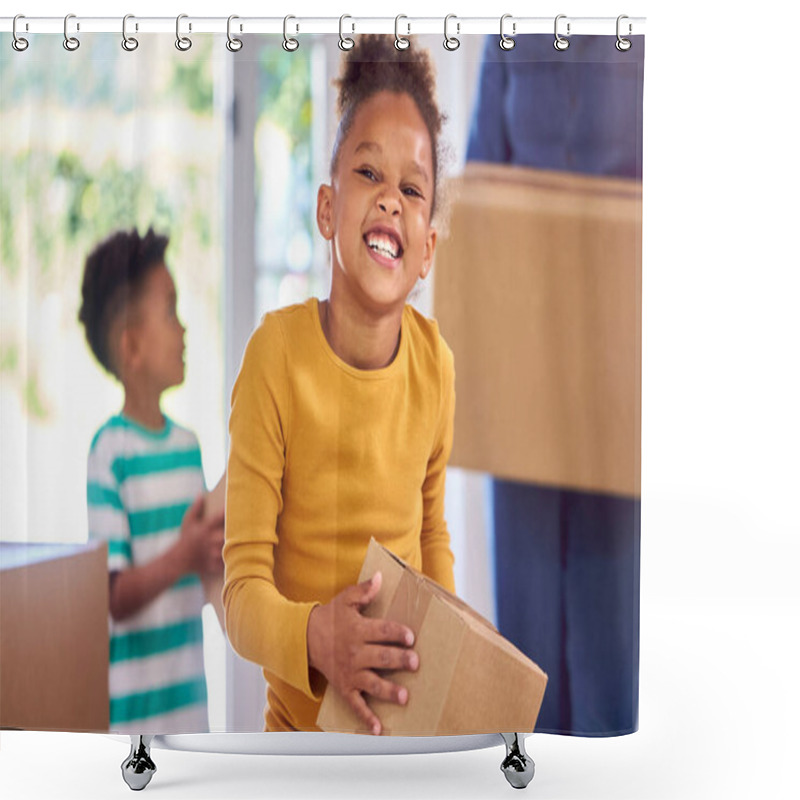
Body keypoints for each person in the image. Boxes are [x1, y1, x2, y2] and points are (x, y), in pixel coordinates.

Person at [223, 35, 455, 736]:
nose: (391, 199)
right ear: (327, 211)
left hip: (406, 744)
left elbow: (431, 532)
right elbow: (240, 599)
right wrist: (320, 638)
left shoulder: (436, 365)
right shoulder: (275, 357)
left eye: (412, 189)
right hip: (297, 747)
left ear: (426, 252)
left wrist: (453, 655)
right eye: (368, 174)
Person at [466, 34, 643, 736]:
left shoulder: (640, 39)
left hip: (614, 370)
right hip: (523, 372)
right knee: (529, 624)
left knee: (613, 627)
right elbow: (478, 186)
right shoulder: (507, 40)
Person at [79, 227, 224, 733]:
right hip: (133, 728)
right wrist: (184, 555)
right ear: (132, 346)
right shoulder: (109, 454)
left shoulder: (189, 447)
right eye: (170, 311)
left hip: (191, 714)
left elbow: (210, 567)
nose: (184, 329)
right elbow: (113, 598)